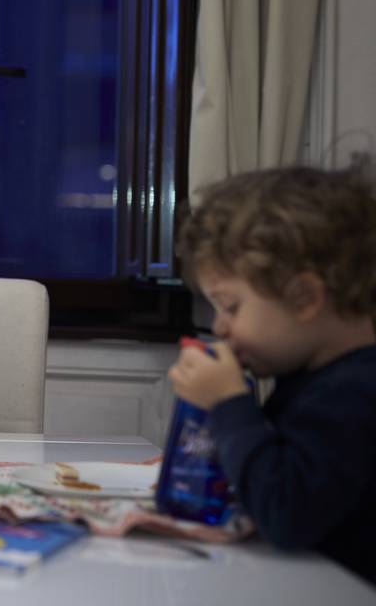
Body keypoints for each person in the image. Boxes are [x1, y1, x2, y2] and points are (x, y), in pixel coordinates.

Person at [168, 165, 376, 585]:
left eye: (231, 307)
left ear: (303, 298)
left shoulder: (356, 394)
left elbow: (286, 514)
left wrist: (229, 404)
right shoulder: (310, 379)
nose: (221, 328)